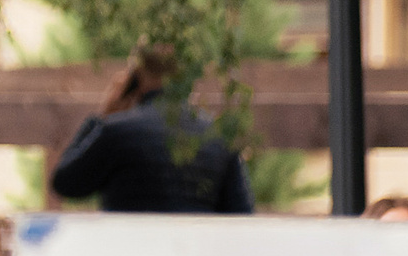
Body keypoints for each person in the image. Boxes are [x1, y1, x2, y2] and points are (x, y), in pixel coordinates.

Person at [48, 45, 254, 214]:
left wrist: (101, 119)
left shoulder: (117, 132)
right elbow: (242, 216)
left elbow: (64, 184)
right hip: (193, 250)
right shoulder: (219, 138)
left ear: (135, 75)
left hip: (130, 250)